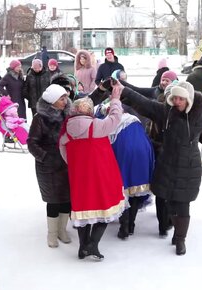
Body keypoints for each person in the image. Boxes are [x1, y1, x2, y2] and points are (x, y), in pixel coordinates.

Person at [117, 80, 202, 255]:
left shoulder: (199, 116)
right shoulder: (165, 112)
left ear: (188, 99)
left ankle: (180, 239)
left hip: (188, 167)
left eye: (181, 99)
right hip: (167, 163)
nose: (177, 102)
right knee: (169, 201)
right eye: (174, 98)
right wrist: (123, 89)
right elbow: (144, 103)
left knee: (182, 204)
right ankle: (175, 228)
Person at [58, 92, 126, 261]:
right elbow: (116, 118)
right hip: (100, 174)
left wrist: (74, 165)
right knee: (105, 209)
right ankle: (93, 245)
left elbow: (63, 149)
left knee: (83, 211)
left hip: (79, 177)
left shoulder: (67, 129)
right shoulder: (97, 125)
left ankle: (82, 247)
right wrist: (115, 99)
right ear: (89, 110)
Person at [96, 100, 154, 240]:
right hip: (143, 157)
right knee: (135, 193)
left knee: (123, 192)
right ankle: (131, 225)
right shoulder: (135, 121)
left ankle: (124, 227)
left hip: (123, 158)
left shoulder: (110, 124)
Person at [28, 84, 72, 248]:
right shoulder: (40, 118)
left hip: (66, 163)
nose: (65, 101)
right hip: (48, 166)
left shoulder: (67, 114)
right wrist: (46, 157)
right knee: (53, 201)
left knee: (67, 199)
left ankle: (62, 230)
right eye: (62, 98)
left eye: (65, 97)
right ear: (53, 100)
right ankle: (52, 234)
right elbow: (32, 143)